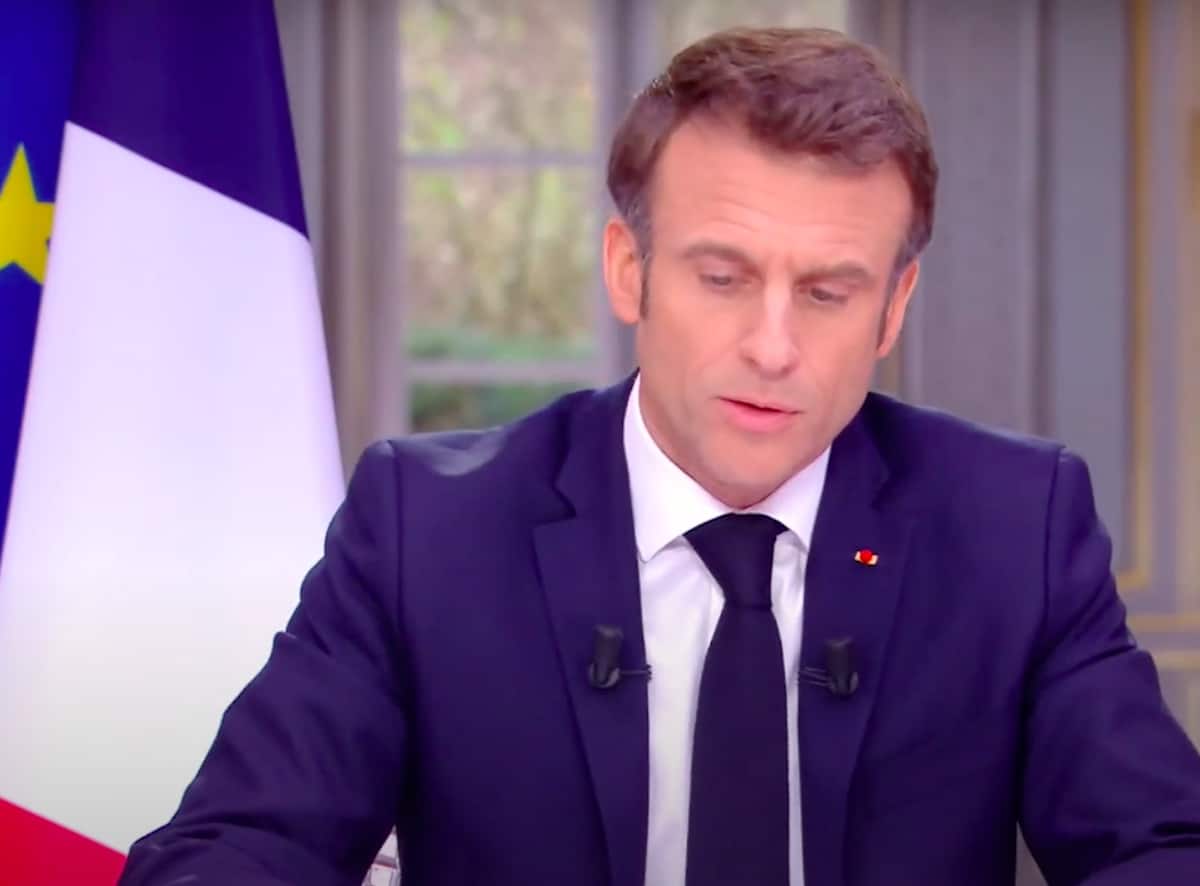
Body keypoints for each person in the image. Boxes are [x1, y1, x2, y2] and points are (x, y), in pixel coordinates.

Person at [118, 27, 1200, 886]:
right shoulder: (427, 529)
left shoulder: (1014, 525)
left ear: (894, 304)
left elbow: (1160, 847)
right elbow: (236, 846)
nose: (772, 347)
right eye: (722, 278)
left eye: (828, 292)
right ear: (628, 269)